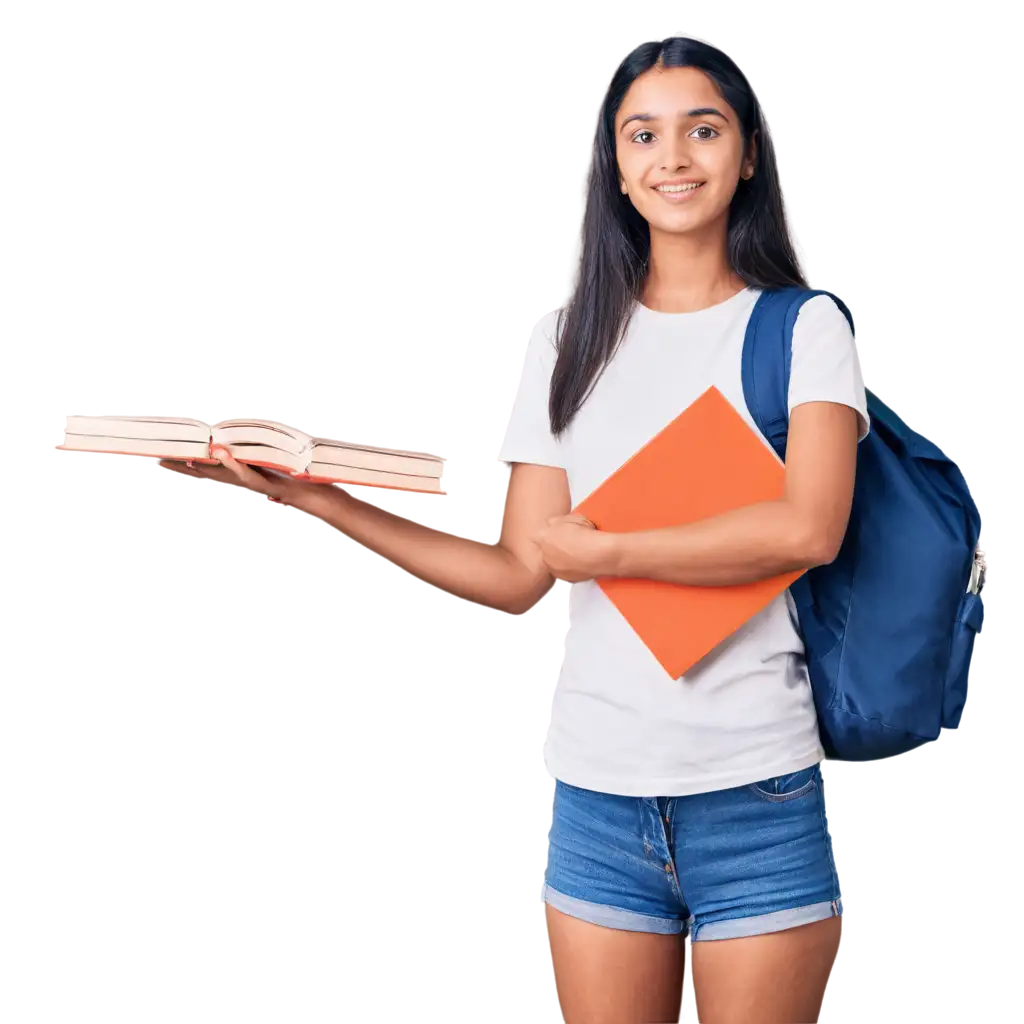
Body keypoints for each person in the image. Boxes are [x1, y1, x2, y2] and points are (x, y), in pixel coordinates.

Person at [162, 31, 870, 1024]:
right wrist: (311, 495)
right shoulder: (563, 342)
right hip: (596, 796)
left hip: (753, 790)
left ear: (746, 154)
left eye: (702, 130)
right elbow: (516, 574)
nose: (672, 158)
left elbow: (810, 527)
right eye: (643, 135)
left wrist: (613, 551)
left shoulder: (803, 329)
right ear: (616, 168)